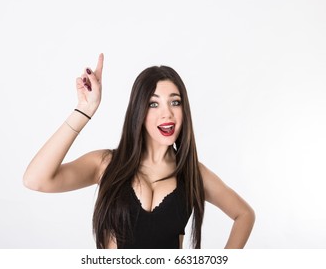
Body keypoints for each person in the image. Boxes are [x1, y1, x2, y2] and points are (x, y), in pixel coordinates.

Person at [23, 53, 255, 249]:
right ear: (139, 111)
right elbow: (36, 180)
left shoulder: (193, 174)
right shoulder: (104, 164)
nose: (167, 113)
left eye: (175, 102)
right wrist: (85, 109)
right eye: (154, 104)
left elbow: (244, 215)